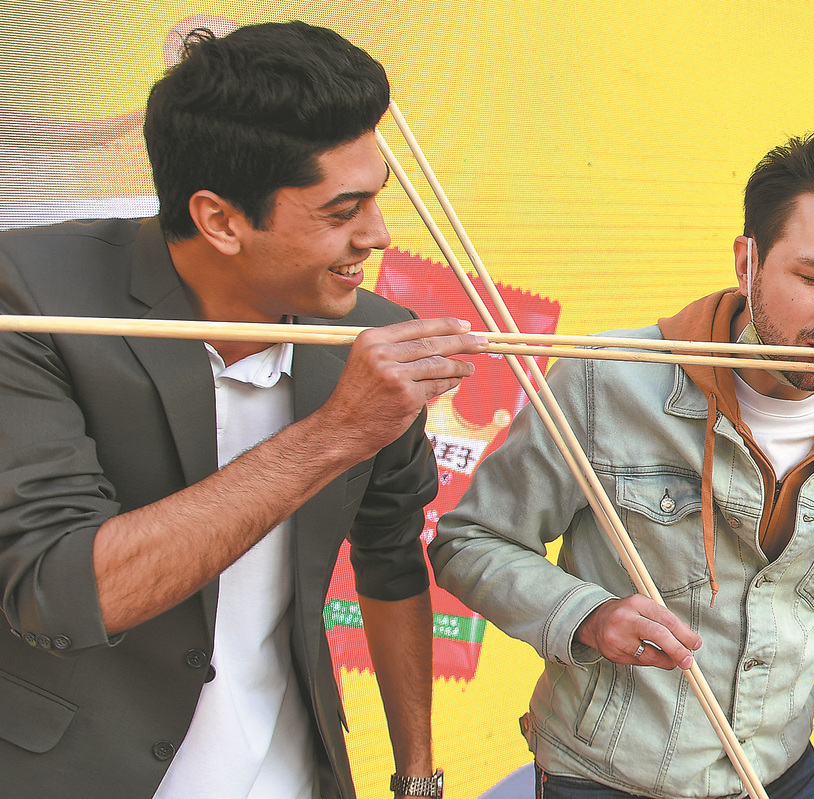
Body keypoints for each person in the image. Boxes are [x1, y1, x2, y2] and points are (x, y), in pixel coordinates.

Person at [0, 21, 484, 799]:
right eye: (342, 211)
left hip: (290, 774)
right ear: (221, 220)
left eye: (377, 197)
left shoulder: (370, 338)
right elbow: (62, 593)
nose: (378, 235)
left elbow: (392, 558)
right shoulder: (31, 299)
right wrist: (334, 433)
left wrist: (418, 779)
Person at [430, 128, 814, 798]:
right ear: (747, 261)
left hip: (779, 767)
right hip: (607, 777)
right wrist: (587, 615)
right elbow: (470, 541)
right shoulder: (606, 381)